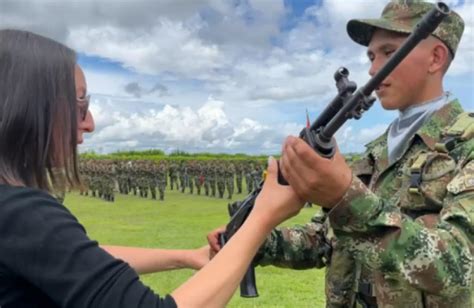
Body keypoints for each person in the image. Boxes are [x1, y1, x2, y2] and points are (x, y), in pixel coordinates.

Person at [0, 29, 304, 308]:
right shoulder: (21, 212)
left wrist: (185, 257)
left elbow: (72, 259)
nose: (89, 123)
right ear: (28, 106)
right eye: (80, 103)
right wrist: (263, 218)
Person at [208, 1, 472, 307]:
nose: (374, 69)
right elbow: (326, 239)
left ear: (435, 58)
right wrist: (259, 242)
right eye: (371, 57)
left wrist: (345, 198)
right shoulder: (376, 150)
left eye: (388, 53)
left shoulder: (466, 145)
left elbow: (458, 266)